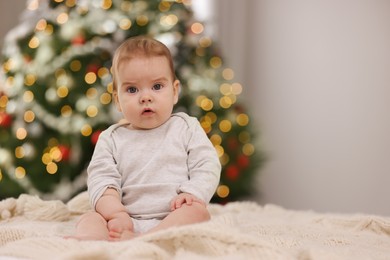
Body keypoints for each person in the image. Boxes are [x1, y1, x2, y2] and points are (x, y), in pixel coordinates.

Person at [72, 35, 221, 241]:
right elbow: (101, 179)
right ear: (117, 100)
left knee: (198, 213)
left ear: (175, 91)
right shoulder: (111, 138)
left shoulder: (186, 127)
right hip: (126, 218)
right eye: (132, 89)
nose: (146, 97)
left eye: (157, 86)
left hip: (173, 215)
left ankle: (149, 238)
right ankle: (93, 244)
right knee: (90, 218)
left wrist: (192, 193)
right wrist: (116, 213)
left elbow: (207, 164)